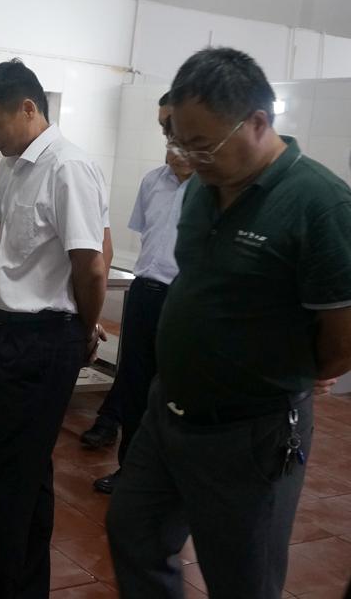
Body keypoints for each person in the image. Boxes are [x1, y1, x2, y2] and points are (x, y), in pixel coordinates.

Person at [107, 47, 351, 599]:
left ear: (258, 122)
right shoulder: (201, 187)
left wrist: (286, 374)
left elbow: (341, 341)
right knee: (134, 533)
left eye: (202, 145)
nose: (188, 158)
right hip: (169, 410)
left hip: (249, 432)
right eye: (177, 142)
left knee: (242, 578)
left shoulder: (320, 204)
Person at [0, 59, 110, 598]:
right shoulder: (12, 165)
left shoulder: (68, 168)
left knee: (6, 474)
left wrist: (84, 327)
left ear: (29, 108)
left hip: (42, 335)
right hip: (0, 325)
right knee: (7, 445)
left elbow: (91, 264)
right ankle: (26, 582)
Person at [86, 93, 195, 494]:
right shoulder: (152, 182)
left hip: (183, 301)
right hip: (145, 292)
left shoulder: (213, 188)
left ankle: (166, 478)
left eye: (178, 137)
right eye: (167, 137)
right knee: (133, 385)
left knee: (174, 392)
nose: (172, 146)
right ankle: (130, 470)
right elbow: (148, 236)